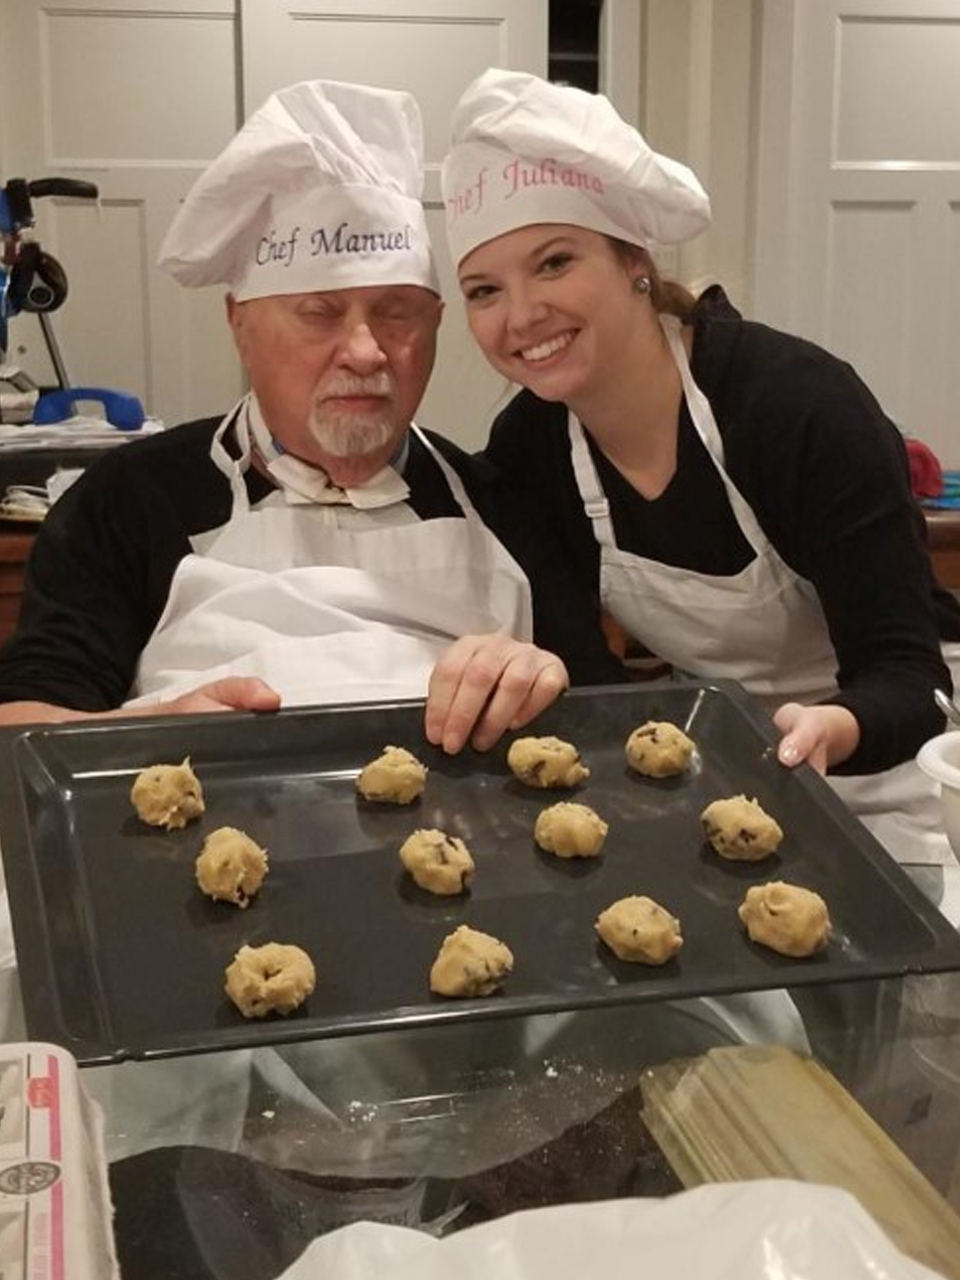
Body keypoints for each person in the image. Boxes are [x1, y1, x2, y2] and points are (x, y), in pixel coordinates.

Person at [0, 78, 624, 751]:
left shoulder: (506, 503)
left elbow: (615, 724)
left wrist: (551, 686)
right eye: (320, 314)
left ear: (436, 325)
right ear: (240, 324)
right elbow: (22, 730)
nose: (365, 351)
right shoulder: (124, 502)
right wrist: (140, 735)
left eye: (396, 312)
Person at [440, 68, 960, 863]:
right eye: (484, 289)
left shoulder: (795, 406)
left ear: (634, 261)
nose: (521, 315)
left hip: (892, 771)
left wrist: (828, 726)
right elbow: (587, 676)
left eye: (553, 263)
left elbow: (909, 679)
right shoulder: (530, 448)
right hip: (715, 774)